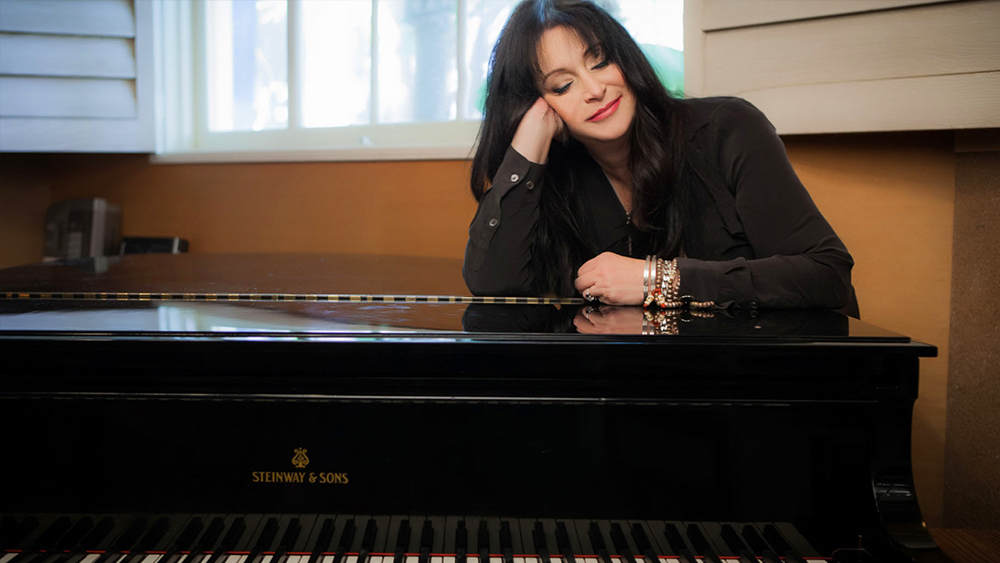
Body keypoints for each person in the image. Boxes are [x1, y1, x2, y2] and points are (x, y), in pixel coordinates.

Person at [463, 0, 859, 317]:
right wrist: (528, 144)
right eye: (563, 85)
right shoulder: (558, 178)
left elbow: (827, 275)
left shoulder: (727, 128)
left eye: (600, 61)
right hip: (643, 380)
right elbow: (491, 285)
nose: (595, 89)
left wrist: (657, 279)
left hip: (770, 373)